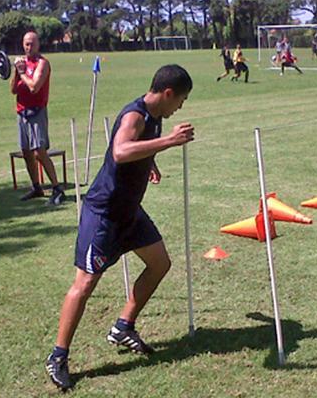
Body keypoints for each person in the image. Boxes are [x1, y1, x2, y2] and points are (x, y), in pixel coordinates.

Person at [44, 65, 194, 391]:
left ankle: (123, 326)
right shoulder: (136, 116)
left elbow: (136, 151)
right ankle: (58, 356)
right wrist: (168, 142)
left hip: (130, 214)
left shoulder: (154, 117)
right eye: (180, 100)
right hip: (105, 214)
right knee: (84, 285)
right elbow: (121, 150)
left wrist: (149, 161)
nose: (179, 107)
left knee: (160, 264)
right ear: (168, 93)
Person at [11, 31, 65, 205]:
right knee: (27, 152)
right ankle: (36, 187)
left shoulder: (43, 63)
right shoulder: (22, 64)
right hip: (22, 112)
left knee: (39, 152)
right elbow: (13, 89)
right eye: (26, 44)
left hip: (37, 112)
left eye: (32, 44)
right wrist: (16, 71)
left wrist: (23, 73)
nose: (28, 47)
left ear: (38, 44)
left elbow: (34, 87)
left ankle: (57, 189)